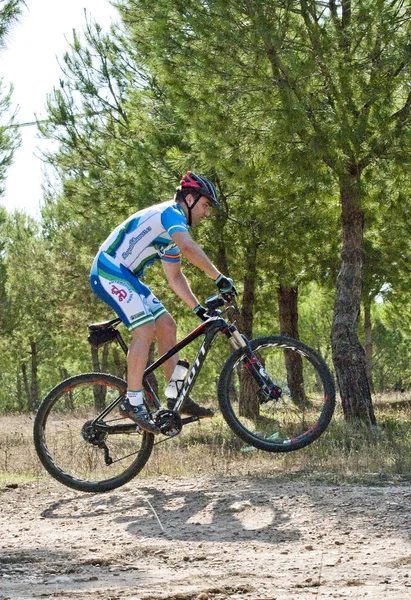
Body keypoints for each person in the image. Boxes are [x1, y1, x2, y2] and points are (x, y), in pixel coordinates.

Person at [90, 172, 237, 434]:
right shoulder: (171, 213)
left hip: (127, 276)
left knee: (167, 325)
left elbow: (175, 277)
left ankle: (175, 395)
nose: (207, 213)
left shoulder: (169, 235)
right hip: (109, 269)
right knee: (145, 329)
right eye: (205, 205)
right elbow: (190, 248)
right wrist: (219, 277)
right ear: (189, 199)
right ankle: (133, 401)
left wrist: (197, 309)